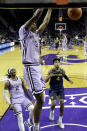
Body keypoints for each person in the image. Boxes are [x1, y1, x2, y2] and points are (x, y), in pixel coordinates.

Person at [19, 8, 52, 131]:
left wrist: (50, 8)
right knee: (40, 99)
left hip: (37, 67)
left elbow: (46, 21)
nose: (35, 24)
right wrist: (42, 6)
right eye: (33, 23)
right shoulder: (23, 32)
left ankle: (31, 121)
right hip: (30, 68)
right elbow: (36, 16)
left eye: (35, 24)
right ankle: (36, 127)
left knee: (41, 99)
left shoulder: (37, 34)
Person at [45, 57, 73, 129]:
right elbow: (45, 81)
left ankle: (60, 120)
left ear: (60, 63)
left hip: (60, 89)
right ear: (53, 64)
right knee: (54, 103)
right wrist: (49, 76)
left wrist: (69, 80)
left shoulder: (62, 71)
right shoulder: (51, 71)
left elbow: (64, 76)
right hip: (53, 90)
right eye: (55, 62)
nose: (57, 63)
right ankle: (51, 111)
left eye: (58, 62)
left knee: (62, 102)